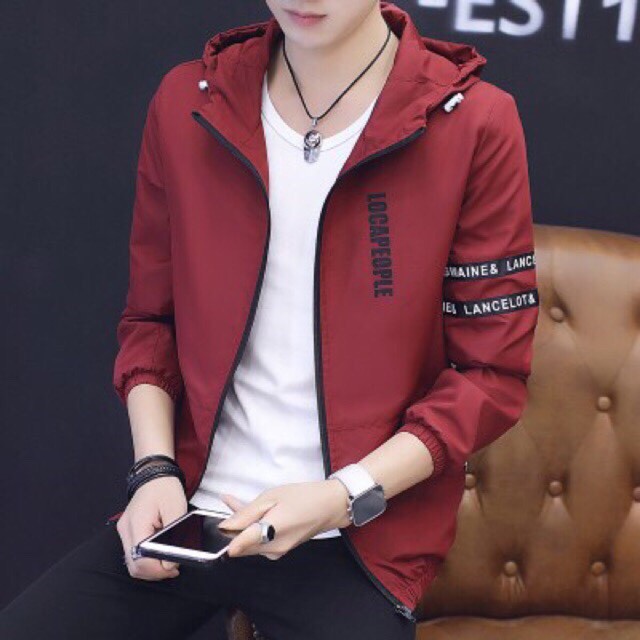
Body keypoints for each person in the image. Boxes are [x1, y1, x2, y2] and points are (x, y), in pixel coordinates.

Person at [0, 1, 540, 638]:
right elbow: (150, 321)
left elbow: (489, 374)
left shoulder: (471, 120)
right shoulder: (188, 101)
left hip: (349, 539)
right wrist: (153, 471)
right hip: (190, 512)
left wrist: (341, 496)